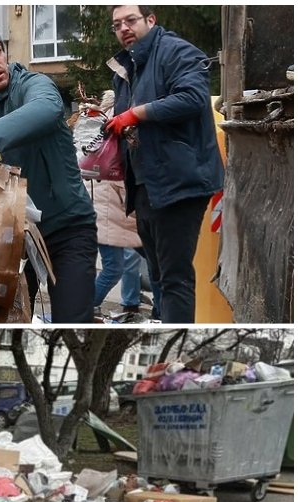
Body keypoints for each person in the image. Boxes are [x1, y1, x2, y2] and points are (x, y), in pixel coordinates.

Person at [0, 20, 98, 323]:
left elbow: (47, 109)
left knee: (74, 325)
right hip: (6, 240)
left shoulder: (32, 86)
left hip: (67, 228)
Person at [107, 5, 224, 324]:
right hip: (146, 183)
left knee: (174, 278)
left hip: (180, 180)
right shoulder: (127, 67)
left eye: (130, 20)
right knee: (159, 275)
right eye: (117, 24)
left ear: (150, 20)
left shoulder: (176, 51)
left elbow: (193, 98)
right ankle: (168, 332)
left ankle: (178, 347)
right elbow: (124, 120)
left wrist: (135, 114)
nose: (124, 28)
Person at [73, 90, 145, 317]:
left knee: (131, 262)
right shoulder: (115, 130)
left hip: (107, 207)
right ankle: (83, 309)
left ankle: (132, 303)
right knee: (117, 266)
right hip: (109, 208)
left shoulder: (101, 128)